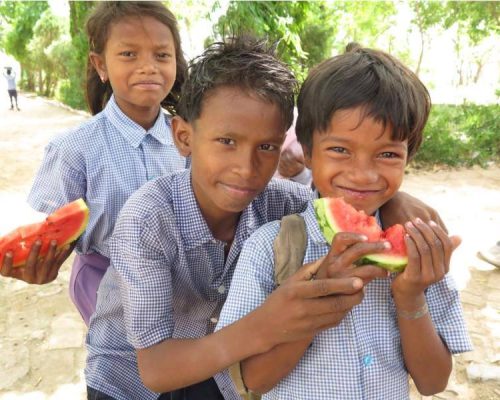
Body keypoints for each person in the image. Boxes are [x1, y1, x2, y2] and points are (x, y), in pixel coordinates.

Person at [85, 37, 453, 400]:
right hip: (131, 378)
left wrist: (394, 202)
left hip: (221, 373)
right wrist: (271, 322)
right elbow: (156, 371)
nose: (246, 170)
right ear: (183, 136)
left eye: (267, 147)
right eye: (226, 141)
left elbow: (345, 196)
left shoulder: (283, 202)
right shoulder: (147, 217)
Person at [216, 44, 473, 399]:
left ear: (408, 156)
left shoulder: (420, 251)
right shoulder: (269, 247)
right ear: (307, 151)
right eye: (340, 150)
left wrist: (410, 295)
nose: (363, 174)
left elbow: (433, 383)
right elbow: (249, 382)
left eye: (387, 154)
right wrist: (318, 300)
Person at [0, 1, 188, 326]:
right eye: (129, 54)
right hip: (103, 284)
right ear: (100, 65)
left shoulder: (189, 138)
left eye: (161, 55)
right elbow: (53, 233)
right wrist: (36, 261)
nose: (148, 66)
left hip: (180, 281)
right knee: (123, 368)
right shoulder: (73, 148)